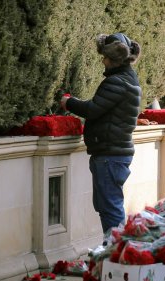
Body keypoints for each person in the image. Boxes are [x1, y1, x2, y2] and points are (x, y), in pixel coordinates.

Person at [60, 33, 142, 234]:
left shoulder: (116, 82)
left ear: (113, 59)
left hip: (109, 155)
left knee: (110, 208)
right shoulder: (128, 79)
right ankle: (115, 250)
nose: (102, 61)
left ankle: (116, 253)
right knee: (108, 206)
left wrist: (68, 102)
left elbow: (93, 109)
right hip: (114, 154)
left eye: (104, 57)